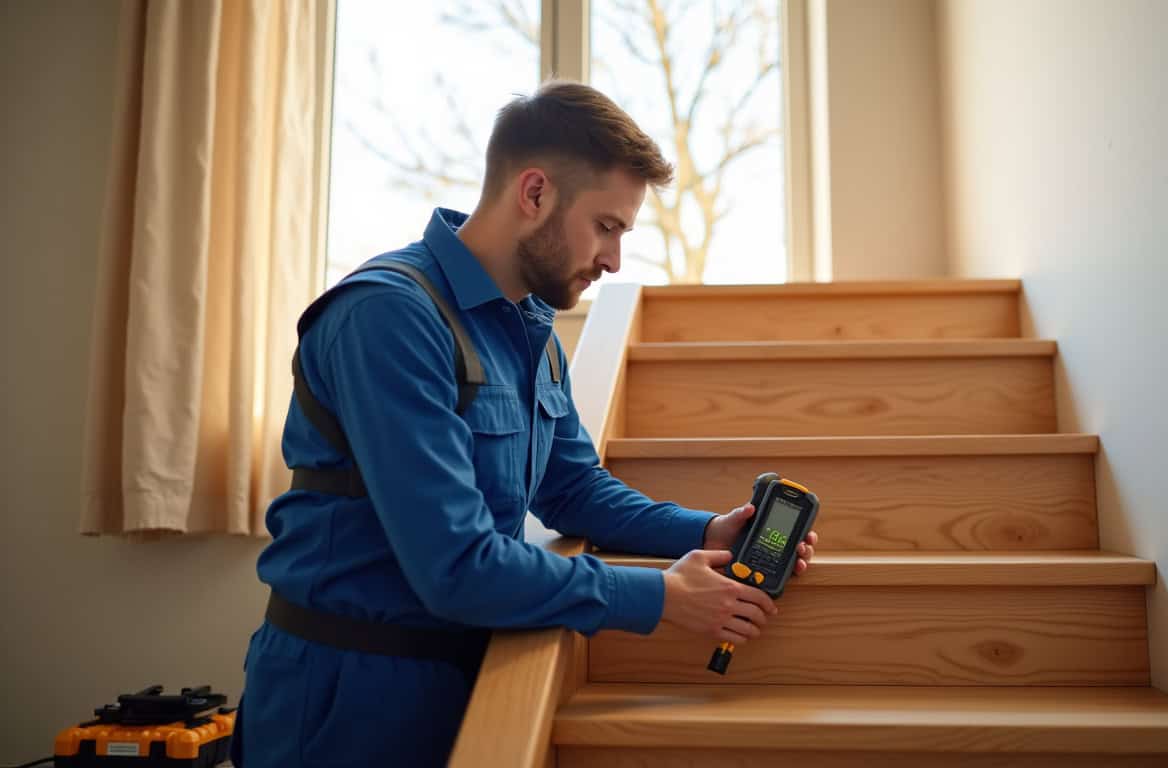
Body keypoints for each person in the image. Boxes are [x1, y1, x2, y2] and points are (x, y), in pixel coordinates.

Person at [231, 80, 818, 768]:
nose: (614, 260)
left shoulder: (533, 330)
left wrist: (707, 531)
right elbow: (456, 566)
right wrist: (658, 596)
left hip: (470, 676)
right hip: (347, 701)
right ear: (534, 193)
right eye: (607, 227)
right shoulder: (388, 316)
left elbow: (575, 493)